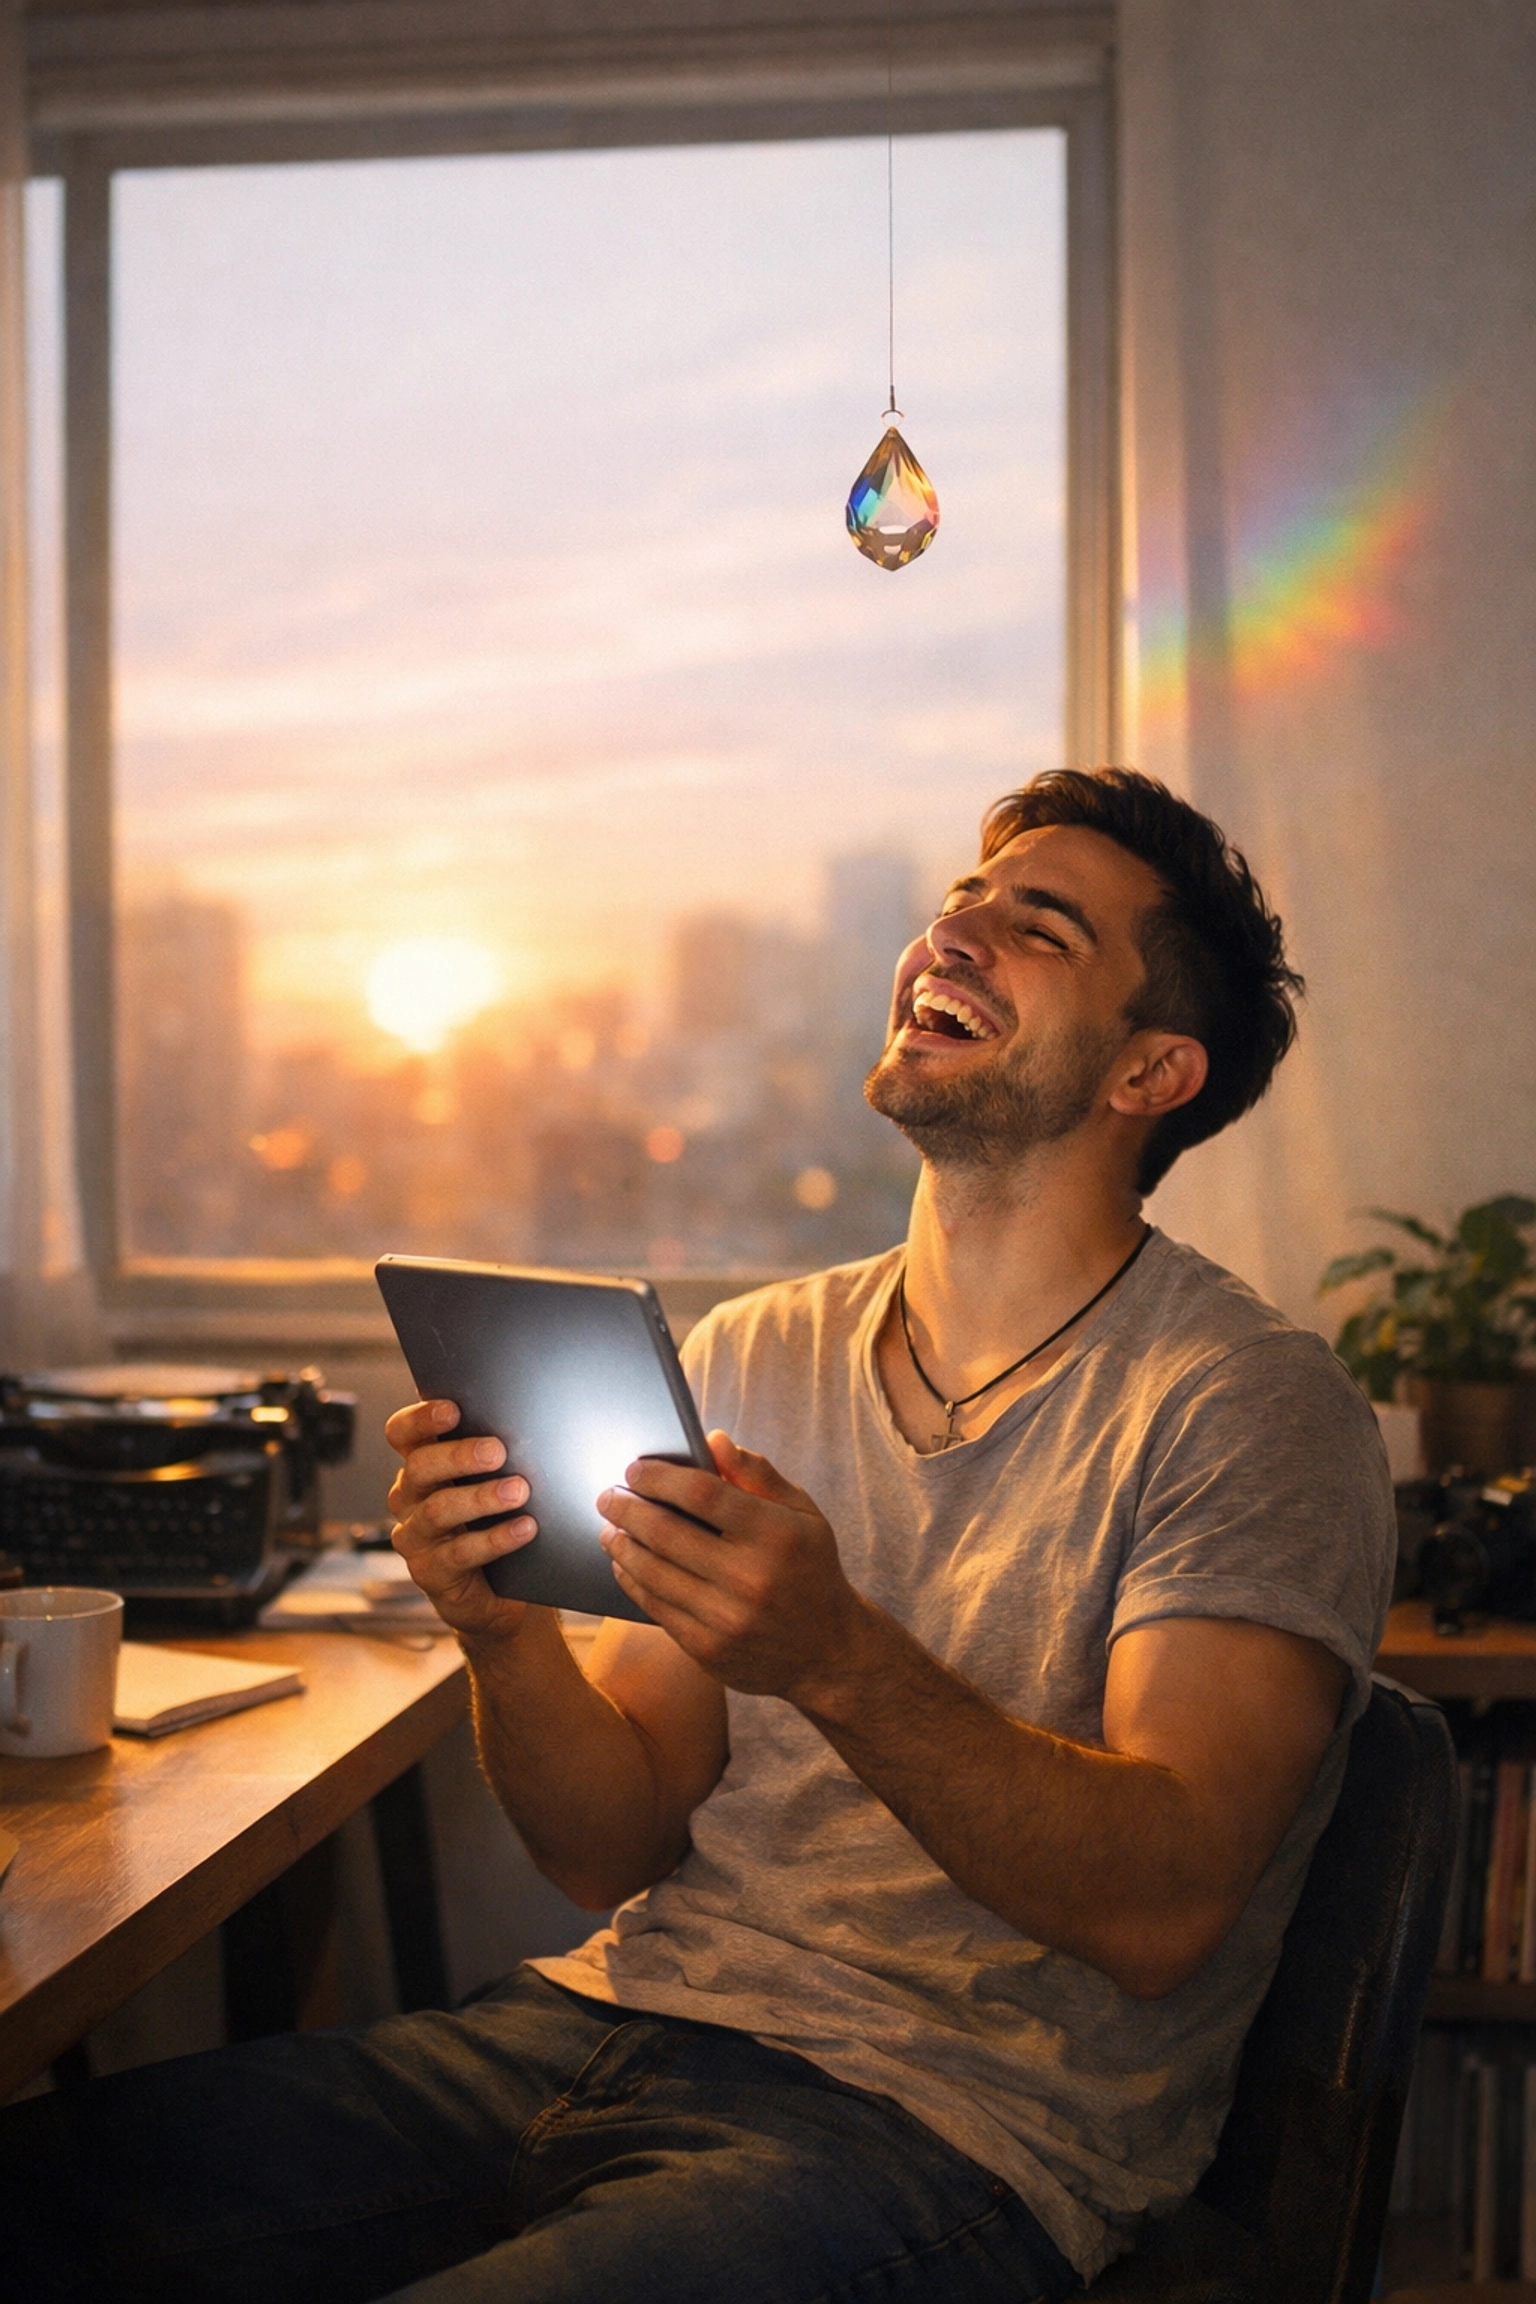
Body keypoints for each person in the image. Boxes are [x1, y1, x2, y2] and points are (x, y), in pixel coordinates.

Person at [0, 769, 1394, 2304]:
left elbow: (1163, 1908)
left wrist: (838, 1656)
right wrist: (501, 1630)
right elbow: (608, 1843)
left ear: (1152, 1072)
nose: (958, 931)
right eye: (960, 902)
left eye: (1039, 925)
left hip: (946, 2134)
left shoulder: (1249, 1405)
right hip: (589, 2032)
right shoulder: (754, 1355)